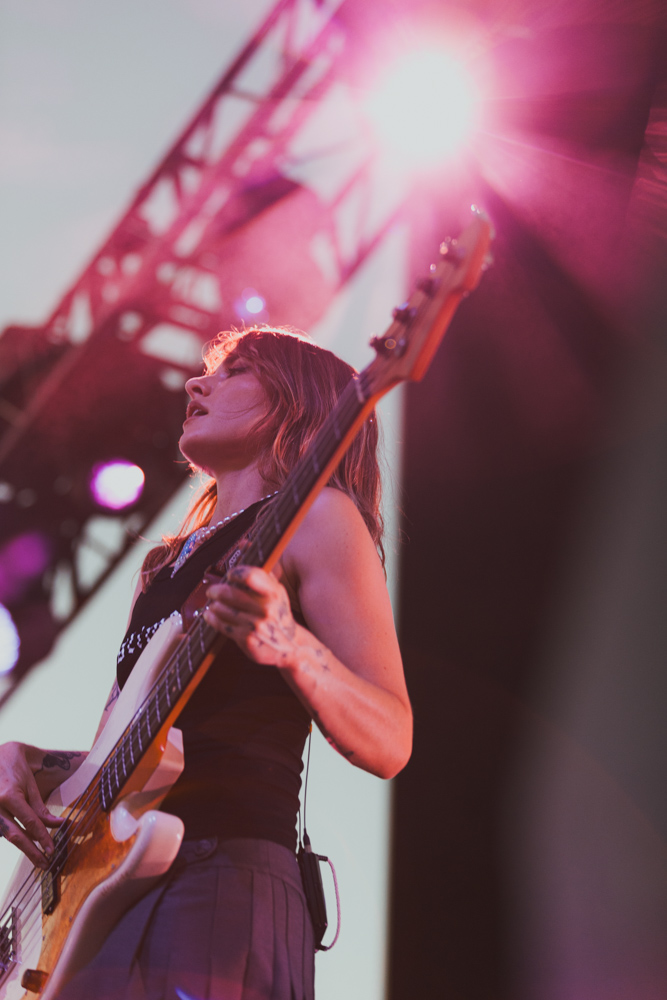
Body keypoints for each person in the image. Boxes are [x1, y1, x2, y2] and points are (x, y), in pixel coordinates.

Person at [0, 326, 412, 1000]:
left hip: (225, 878)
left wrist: (292, 645)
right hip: (107, 891)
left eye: (235, 371)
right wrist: (30, 761)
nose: (197, 383)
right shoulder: (162, 567)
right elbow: (119, 758)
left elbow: (391, 738)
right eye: (205, 372)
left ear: (296, 403)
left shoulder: (320, 519)